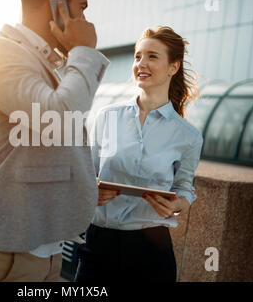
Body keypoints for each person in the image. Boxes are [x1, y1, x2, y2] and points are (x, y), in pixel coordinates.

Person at [0, 0, 110, 282]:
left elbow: (43, 148)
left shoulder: (43, 62)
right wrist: (84, 51)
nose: (86, 21)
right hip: (3, 255)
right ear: (56, 4)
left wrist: (85, 185)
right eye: (82, 8)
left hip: (46, 253)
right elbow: (56, 117)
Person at [74, 26, 203, 282]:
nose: (141, 63)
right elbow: (87, 173)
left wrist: (178, 204)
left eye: (152, 56)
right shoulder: (108, 117)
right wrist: (91, 191)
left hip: (151, 249)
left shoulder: (187, 135)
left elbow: (184, 187)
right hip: (100, 241)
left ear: (173, 67)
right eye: (138, 56)